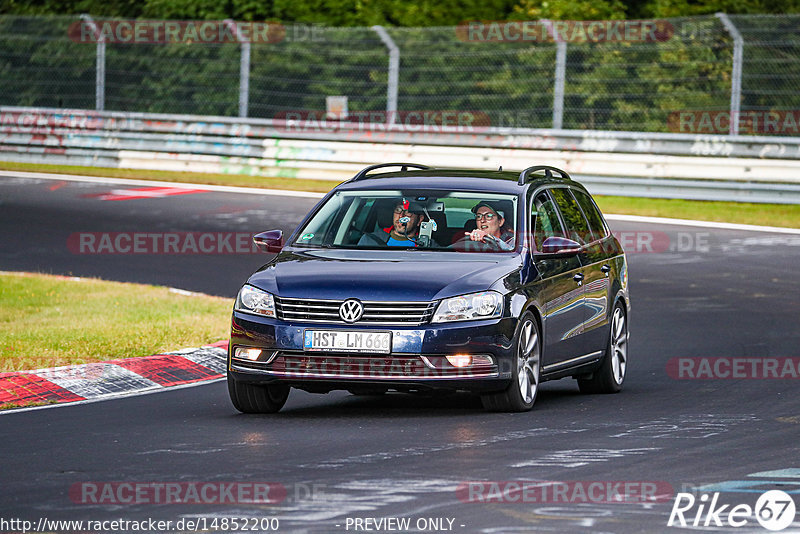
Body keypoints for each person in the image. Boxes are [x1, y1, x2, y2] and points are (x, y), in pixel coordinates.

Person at [358, 200, 425, 247]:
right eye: (398, 210)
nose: (401, 216)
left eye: (408, 212)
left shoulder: (428, 245)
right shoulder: (369, 241)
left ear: (420, 220)